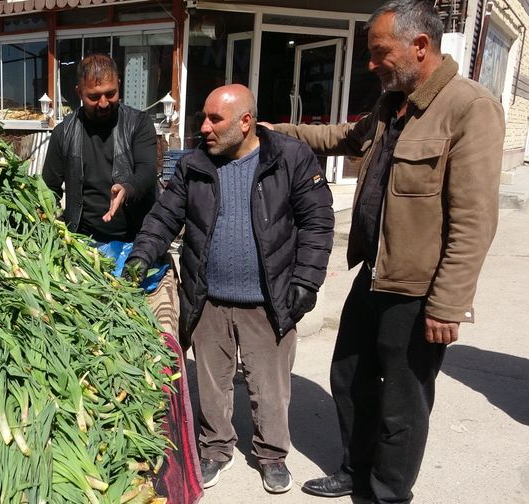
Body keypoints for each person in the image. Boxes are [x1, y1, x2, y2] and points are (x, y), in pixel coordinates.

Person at [265, 1, 506, 502]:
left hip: (417, 290)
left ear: (420, 47)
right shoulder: (392, 102)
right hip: (373, 273)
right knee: (349, 377)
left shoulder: (469, 108)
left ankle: (389, 493)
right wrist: (278, 133)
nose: (370, 63)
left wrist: (447, 303)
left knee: (403, 402)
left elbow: (474, 220)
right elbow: (342, 138)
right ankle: (357, 469)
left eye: (379, 52)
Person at [124, 84, 334, 494]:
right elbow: (163, 218)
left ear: (245, 121)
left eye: (214, 119)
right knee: (213, 383)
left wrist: (306, 283)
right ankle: (216, 448)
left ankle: (272, 453)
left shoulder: (289, 159)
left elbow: (317, 223)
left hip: (269, 300)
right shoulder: (194, 165)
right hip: (208, 299)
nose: (204, 127)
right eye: (203, 117)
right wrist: (140, 257)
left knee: (270, 387)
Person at [42, 54, 179, 337]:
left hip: (135, 245)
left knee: (144, 331)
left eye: (110, 94)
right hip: (83, 249)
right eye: (94, 97)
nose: (104, 103)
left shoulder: (138, 124)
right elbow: (48, 189)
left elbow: (146, 171)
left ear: (119, 84)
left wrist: (126, 188)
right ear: (79, 91)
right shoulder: (63, 133)